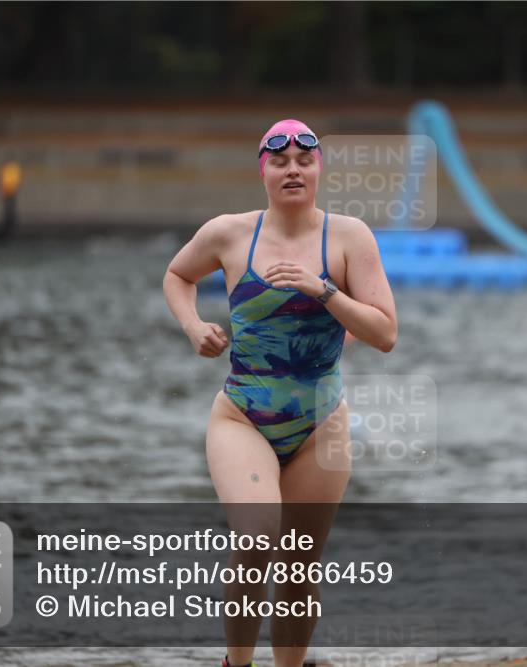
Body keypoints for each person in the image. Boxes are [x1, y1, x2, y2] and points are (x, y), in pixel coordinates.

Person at [162, 119, 398, 667]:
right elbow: (177, 275)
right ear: (263, 171)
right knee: (256, 539)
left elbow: (385, 334)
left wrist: (324, 290)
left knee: (299, 569)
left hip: (322, 426)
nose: (293, 169)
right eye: (280, 161)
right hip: (242, 417)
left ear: (318, 170)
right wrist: (194, 327)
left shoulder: (349, 238)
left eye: (304, 161)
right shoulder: (228, 233)